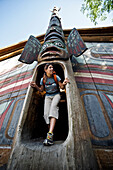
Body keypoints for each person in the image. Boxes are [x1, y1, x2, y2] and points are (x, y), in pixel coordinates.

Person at [30, 63, 69, 146]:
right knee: (46, 114)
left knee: (53, 110)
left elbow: (61, 87)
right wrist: (35, 86)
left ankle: (50, 134)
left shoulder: (56, 77)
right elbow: (41, 90)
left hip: (56, 95)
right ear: (45, 70)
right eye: (50, 67)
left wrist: (64, 83)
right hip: (48, 96)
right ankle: (50, 135)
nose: (52, 69)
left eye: (52, 67)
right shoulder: (43, 79)